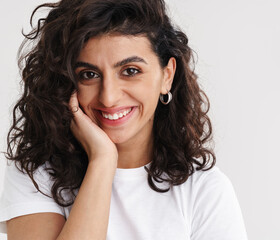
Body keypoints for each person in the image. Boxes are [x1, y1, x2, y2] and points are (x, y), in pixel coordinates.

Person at [0, 0, 248, 239]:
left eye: (130, 71)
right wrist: (103, 160)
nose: (108, 97)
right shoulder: (38, 174)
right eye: (89, 74)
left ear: (167, 76)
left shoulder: (204, 191)